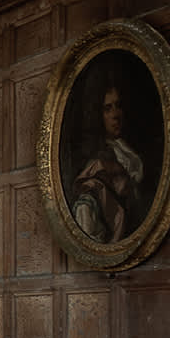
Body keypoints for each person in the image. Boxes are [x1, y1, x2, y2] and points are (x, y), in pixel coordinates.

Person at [70, 84, 145, 242]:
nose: (115, 115)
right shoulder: (97, 166)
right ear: (98, 115)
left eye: (118, 106)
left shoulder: (129, 151)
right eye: (107, 109)